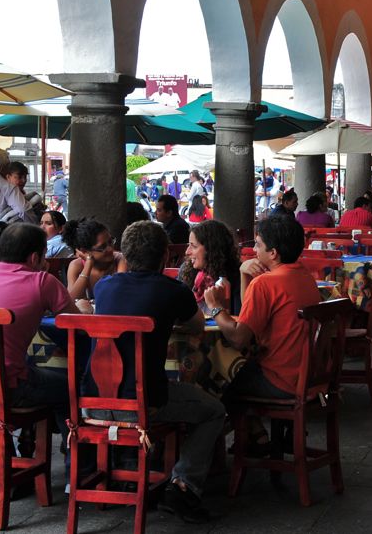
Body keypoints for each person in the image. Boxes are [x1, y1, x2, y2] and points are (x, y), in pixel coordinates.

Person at [86, 221, 224, 523]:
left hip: (91, 401)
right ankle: (183, 485)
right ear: (165, 256)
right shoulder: (173, 290)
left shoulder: (104, 287)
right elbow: (197, 326)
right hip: (144, 403)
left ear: (125, 255)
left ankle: (115, 473)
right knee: (214, 410)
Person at [0, 223, 90, 460]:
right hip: (3, 391)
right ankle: (78, 469)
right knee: (70, 386)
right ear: (35, 257)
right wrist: (83, 308)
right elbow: (77, 326)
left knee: (23, 368)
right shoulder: (42, 281)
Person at [204, 216, 320, 425]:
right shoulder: (305, 275)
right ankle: (257, 436)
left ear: (273, 253)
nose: (254, 251)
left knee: (214, 379)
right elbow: (252, 319)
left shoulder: (267, 283)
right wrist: (244, 274)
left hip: (279, 379)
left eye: (258, 244)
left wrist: (215, 307)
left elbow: (239, 338)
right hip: (309, 375)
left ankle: (246, 438)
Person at [178, 219, 240, 311]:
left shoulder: (236, 277)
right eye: (189, 245)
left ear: (211, 249)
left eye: (194, 246)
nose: (187, 252)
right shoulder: (188, 271)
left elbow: (237, 319)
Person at [63, 218, 123, 301]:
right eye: (102, 247)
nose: (110, 249)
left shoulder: (119, 259)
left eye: (110, 242)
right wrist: (88, 264)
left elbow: (120, 288)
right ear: (84, 251)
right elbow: (72, 300)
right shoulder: (77, 266)